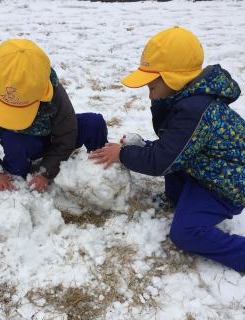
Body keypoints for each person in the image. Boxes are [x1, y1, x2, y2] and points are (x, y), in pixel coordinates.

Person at [89, 26, 245, 272]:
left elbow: (161, 161)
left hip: (225, 185)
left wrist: (122, 154)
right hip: (205, 168)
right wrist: (141, 146)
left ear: (174, 80)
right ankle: (180, 197)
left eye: (152, 87)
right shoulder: (186, 99)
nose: (150, 95)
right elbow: (175, 147)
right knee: (173, 182)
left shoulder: (194, 110)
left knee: (185, 233)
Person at [0, 39, 107, 193]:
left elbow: (66, 136)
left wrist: (46, 172)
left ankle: (102, 170)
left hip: (52, 138)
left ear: (42, 93)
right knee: (17, 144)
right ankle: (19, 173)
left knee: (93, 123)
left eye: (21, 109)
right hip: (22, 143)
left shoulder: (55, 94)